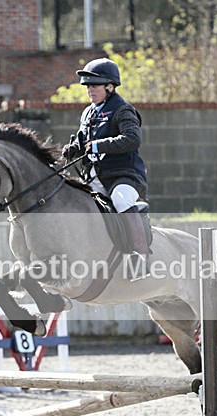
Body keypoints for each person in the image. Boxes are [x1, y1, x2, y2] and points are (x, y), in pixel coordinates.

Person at [61, 57, 150, 269]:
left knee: (121, 201)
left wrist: (97, 146)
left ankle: (141, 255)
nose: (90, 90)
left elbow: (132, 139)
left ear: (110, 87)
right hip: (95, 176)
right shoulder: (88, 112)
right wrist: (74, 147)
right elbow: (84, 139)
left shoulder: (123, 110)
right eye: (88, 86)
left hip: (123, 176)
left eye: (95, 85)